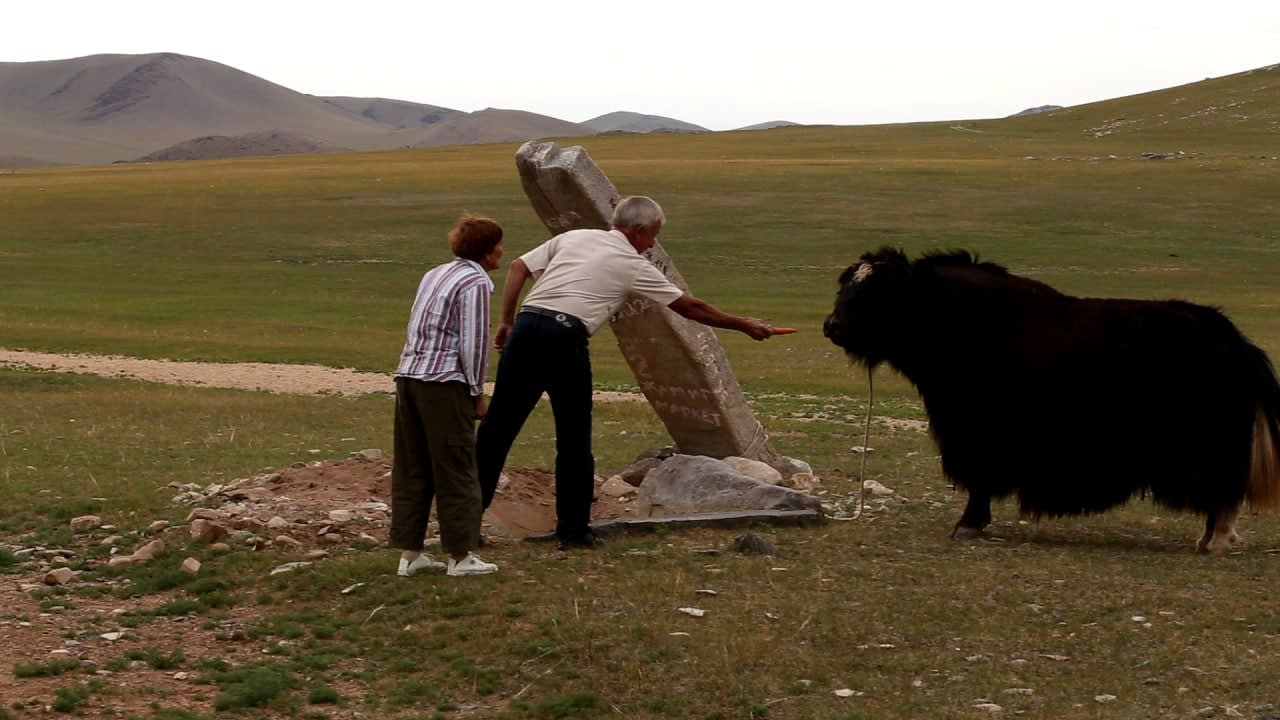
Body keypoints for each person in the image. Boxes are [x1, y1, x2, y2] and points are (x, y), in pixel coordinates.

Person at [476, 195, 790, 549]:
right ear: (638, 231)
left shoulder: (575, 237)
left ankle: (465, 524)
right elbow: (690, 307)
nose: (652, 244)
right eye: (653, 235)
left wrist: (507, 321)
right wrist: (743, 324)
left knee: (497, 430)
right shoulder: (631, 263)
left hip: (527, 326)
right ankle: (573, 532)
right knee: (574, 437)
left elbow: (518, 266)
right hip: (564, 336)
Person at [390, 214, 504, 577]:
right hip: (444, 383)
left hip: (409, 376)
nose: (502, 251)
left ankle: (410, 554)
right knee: (456, 467)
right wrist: (476, 391)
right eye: (498, 245)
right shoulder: (476, 282)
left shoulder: (434, 273)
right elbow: (473, 343)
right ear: (487, 250)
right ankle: (460, 555)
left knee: (413, 467)